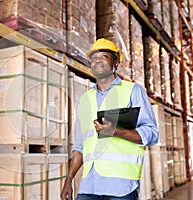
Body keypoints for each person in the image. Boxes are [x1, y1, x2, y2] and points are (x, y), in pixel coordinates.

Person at [61, 38, 159, 200]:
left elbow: (151, 134)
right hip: (89, 185)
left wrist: (115, 132)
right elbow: (80, 145)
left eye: (104, 56)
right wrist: (68, 179)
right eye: (93, 58)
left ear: (116, 62)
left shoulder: (133, 91)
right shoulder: (87, 98)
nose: (97, 60)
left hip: (120, 186)